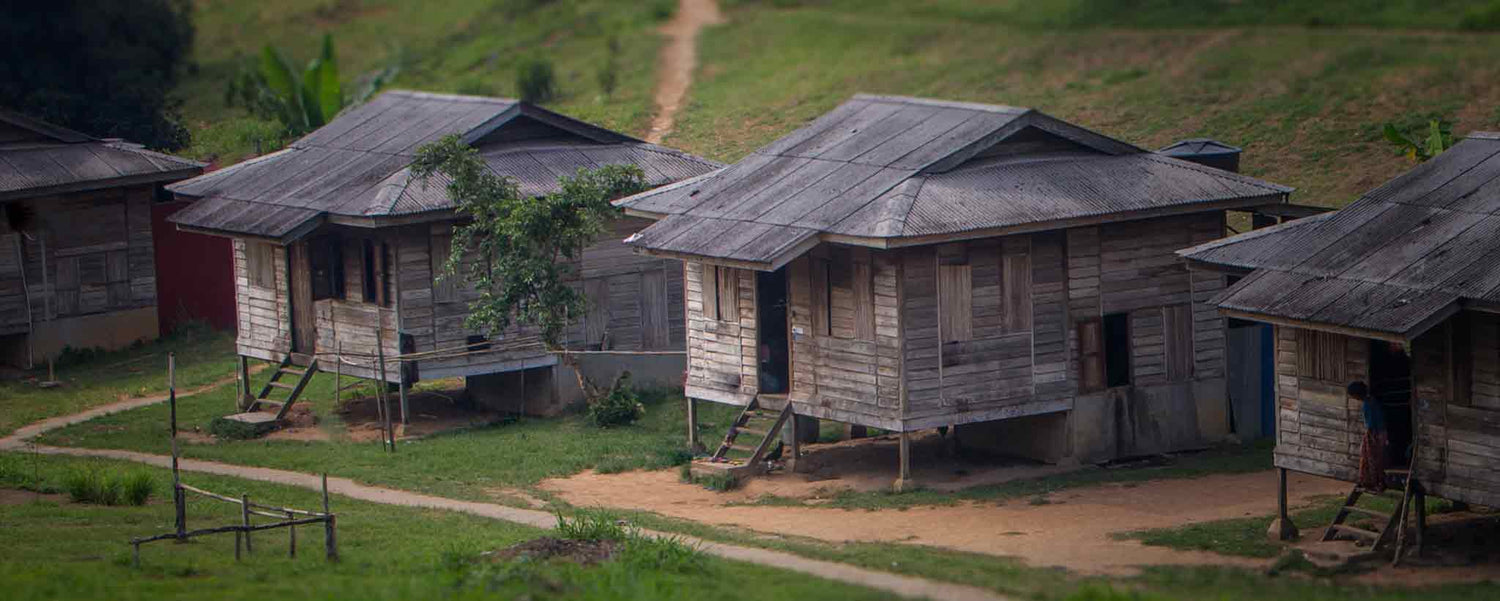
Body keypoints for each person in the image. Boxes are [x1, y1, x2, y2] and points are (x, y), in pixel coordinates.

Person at [1349, 380, 1387, 492]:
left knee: (1371, 458)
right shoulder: (1372, 401)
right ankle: (1377, 482)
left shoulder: (1368, 404)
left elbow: (1371, 423)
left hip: (1375, 433)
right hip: (1379, 432)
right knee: (1376, 458)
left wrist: (1368, 435)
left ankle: (1374, 482)